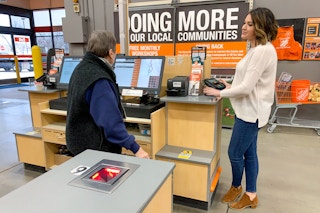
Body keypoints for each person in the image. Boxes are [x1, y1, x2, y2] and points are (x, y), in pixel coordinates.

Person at [203, 8, 278, 210]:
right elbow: (248, 82)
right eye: (245, 22)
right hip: (250, 110)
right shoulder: (257, 49)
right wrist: (228, 86)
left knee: (235, 152)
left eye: (250, 24)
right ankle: (251, 195)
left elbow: (246, 88)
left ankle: (237, 187)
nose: (244, 27)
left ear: (261, 27)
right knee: (250, 153)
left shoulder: (262, 51)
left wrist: (219, 93)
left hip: (250, 113)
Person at [66, 30, 149, 159]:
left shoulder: (80, 69)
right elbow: (111, 123)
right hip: (96, 149)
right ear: (111, 53)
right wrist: (136, 148)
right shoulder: (99, 80)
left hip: (79, 145)